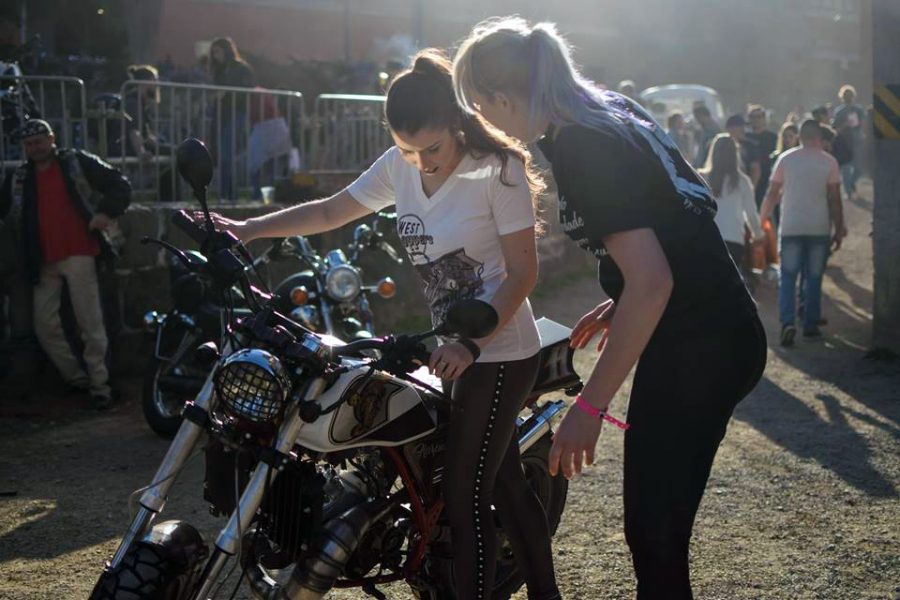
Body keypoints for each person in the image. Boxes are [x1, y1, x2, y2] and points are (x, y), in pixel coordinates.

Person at [202, 49, 560, 600]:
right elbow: (330, 211)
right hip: (452, 351)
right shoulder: (401, 165)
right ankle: (546, 593)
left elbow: (522, 274)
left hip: (500, 349)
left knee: (464, 494)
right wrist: (248, 229)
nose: (422, 162)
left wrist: (470, 344)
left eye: (432, 149)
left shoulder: (499, 169)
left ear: (458, 122)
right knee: (506, 482)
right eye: (408, 150)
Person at [453, 17, 767, 600]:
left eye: (478, 106)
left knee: (654, 534)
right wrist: (619, 294)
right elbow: (673, 223)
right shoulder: (606, 110)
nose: (481, 120)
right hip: (719, 328)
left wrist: (590, 406)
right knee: (657, 532)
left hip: (700, 342)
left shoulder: (583, 145)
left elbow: (655, 281)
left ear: (503, 99)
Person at [0, 119, 131, 407]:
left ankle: (100, 385)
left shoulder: (76, 162)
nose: (35, 148)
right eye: (29, 144)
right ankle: (77, 378)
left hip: (80, 252)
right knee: (44, 325)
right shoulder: (19, 178)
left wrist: (105, 213)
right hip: (43, 261)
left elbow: (119, 185)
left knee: (90, 323)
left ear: (52, 139)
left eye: (39, 141)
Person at [759, 120, 847, 346]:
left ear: (800, 136)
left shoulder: (786, 159)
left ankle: (787, 322)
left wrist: (762, 219)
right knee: (814, 277)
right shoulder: (829, 162)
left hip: (790, 227)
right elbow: (835, 200)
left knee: (788, 277)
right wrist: (839, 228)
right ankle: (810, 324)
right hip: (818, 228)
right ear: (819, 138)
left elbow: (772, 192)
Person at [699, 134, 763, 270]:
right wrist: (758, 236)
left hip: (707, 239)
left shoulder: (701, 178)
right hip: (734, 239)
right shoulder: (742, 181)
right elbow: (751, 214)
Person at [208, 37, 256, 200]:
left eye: (218, 51)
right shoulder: (219, 70)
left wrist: (227, 93)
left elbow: (247, 89)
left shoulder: (241, 68)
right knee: (222, 154)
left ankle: (230, 194)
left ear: (226, 51)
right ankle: (225, 193)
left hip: (237, 113)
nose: (215, 56)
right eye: (213, 52)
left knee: (227, 153)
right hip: (221, 114)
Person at [832, 85, 866, 199]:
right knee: (846, 169)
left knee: (859, 168)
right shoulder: (839, 112)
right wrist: (845, 125)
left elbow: (864, 124)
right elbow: (835, 128)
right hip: (844, 142)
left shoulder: (859, 110)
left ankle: (851, 184)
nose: (848, 97)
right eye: (846, 95)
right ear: (842, 97)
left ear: (853, 96)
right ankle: (848, 192)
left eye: (850, 95)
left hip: (857, 141)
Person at [746, 105, 778, 207]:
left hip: (767, 180)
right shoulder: (745, 138)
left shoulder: (773, 138)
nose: (755, 120)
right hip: (749, 181)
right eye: (752, 117)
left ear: (764, 119)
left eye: (758, 117)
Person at [691, 103, 721, 167]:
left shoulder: (713, 129)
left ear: (705, 116)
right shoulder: (704, 129)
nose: (697, 120)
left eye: (698, 117)